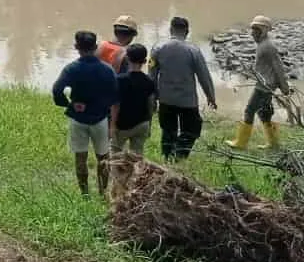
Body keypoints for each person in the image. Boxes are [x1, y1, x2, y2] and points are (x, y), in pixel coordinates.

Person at [51, 30, 120, 196]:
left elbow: (57, 89)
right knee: (103, 157)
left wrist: (68, 104)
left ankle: (85, 193)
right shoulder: (107, 70)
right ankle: (103, 192)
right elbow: (115, 96)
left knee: (80, 158)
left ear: (76, 47)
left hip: (78, 119)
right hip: (100, 119)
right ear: (95, 47)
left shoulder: (71, 69)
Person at [150, 16, 217, 160]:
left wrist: (153, 97)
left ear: (170, 29)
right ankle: (180, 155)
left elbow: (152, 75)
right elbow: (204, 76)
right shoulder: (194, 50)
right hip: (187, 101)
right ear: (187, 31)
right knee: (191, 131)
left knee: (168, 131)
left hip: (166, 99)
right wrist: (210, 96)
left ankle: (168, 156)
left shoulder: (157, 48)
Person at [229, 15, 290, 151]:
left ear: (263, 31)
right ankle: (273, 144)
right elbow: (264, 67)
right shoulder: (262, 45)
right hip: (264, 84)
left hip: (264, 86)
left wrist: (284, 87)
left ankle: (241, 143)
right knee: (264, 113)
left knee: (249, 110)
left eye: (255, 30)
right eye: (252, 30)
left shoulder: (268, 46)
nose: (252, 33)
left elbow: (278, 67)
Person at [111, 43, 158, 157]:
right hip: (142, 124)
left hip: (122, 125)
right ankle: (135, 175)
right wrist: (149, 125)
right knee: (136, 158)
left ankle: (117, 174)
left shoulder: (120, 80)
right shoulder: (149, 81)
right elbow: (151, 104)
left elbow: (115, 105)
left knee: (115, 156)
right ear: (145, 60)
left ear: (127, 58)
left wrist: (112, 126)